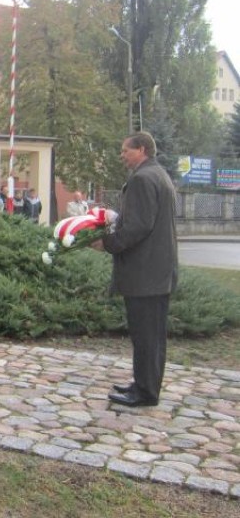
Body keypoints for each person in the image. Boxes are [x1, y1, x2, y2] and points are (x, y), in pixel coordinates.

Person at [93, 132, 177, 407]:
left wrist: (106, 242)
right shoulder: (158, 175)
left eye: (125, 150)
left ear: (141, 149)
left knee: (146, 336)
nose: (122, 155)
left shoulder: (142, 179)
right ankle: (143, 384)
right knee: (150, 335)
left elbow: (138, 226)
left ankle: (145, 392)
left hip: (145, 272)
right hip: (156, 271)